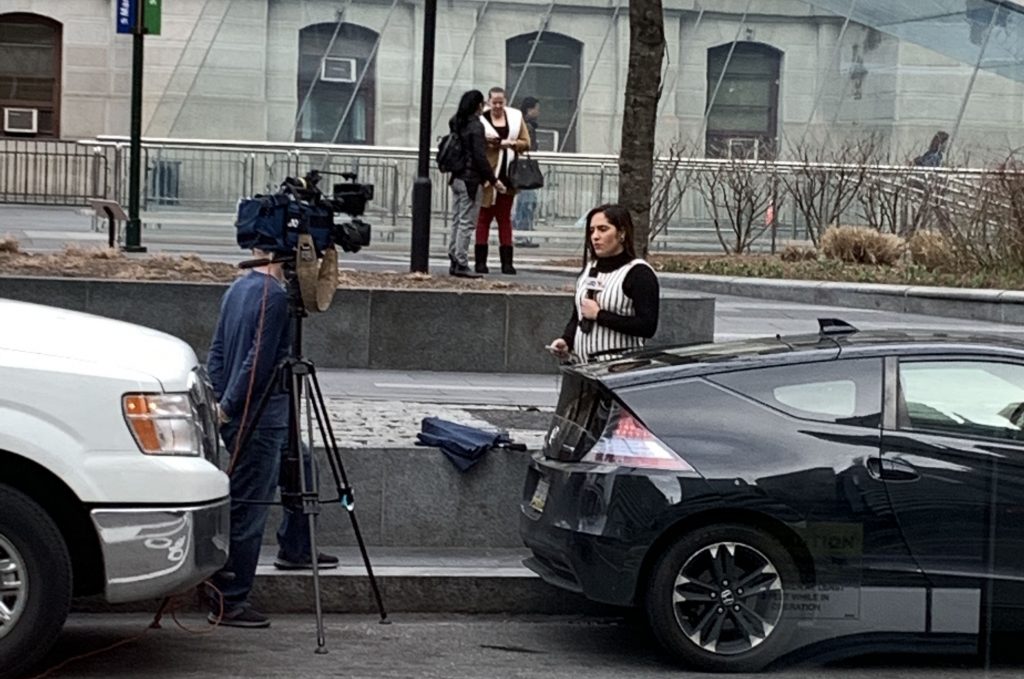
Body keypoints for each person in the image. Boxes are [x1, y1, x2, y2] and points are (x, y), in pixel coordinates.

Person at [206, 252, 338, 628]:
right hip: (259, 416)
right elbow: (259, 360)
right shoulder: (275, 297)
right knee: (249, 507)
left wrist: (219, 397)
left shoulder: (238, 287)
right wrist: (229, 405)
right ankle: (228, 599)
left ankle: (297, 547)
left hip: (258, 413)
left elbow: (217, 350)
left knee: (302, 463)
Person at [547, 205, 660, 363]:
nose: (595, 236)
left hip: (619, 370)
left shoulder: (639, 273)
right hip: (581, 367)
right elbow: (579, 315)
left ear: (621, 233)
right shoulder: (589, 268)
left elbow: (647, 326)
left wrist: (600, 315)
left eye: (603, 229)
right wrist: (567, 340)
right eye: (592, 230)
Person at [447, 90, 504, 278]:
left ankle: (454, 257)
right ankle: (461, 261)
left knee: (456, 219)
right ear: (478, 105)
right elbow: (479, 156)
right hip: (471, 180)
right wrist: (494, 181)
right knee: (467, 222)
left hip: (456, 177)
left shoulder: (457, 122)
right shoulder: (476, 126)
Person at [475, 87, 531, 275]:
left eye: (501, 102)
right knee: (484, 218)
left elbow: (526, 142)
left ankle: (507, 262)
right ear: (488, 102)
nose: (498, 106)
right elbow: (473, 142)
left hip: (508, 174)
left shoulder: (515, 117)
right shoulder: (480, 119)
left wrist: (511, 144)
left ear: (505, 101)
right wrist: (487, 141)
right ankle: (480, 261)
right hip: (487, 175)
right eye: (494, 102)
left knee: (504, 218)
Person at [513, 97, 541, 248]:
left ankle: (523, 233)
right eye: (537, 108)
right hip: (525, 170)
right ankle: (522, 235)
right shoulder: (527, 127)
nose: (538, 112)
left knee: (526, 202)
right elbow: (528, 147)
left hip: (524, 169)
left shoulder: (525, 125)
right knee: (526, 202)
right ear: (529, 109)